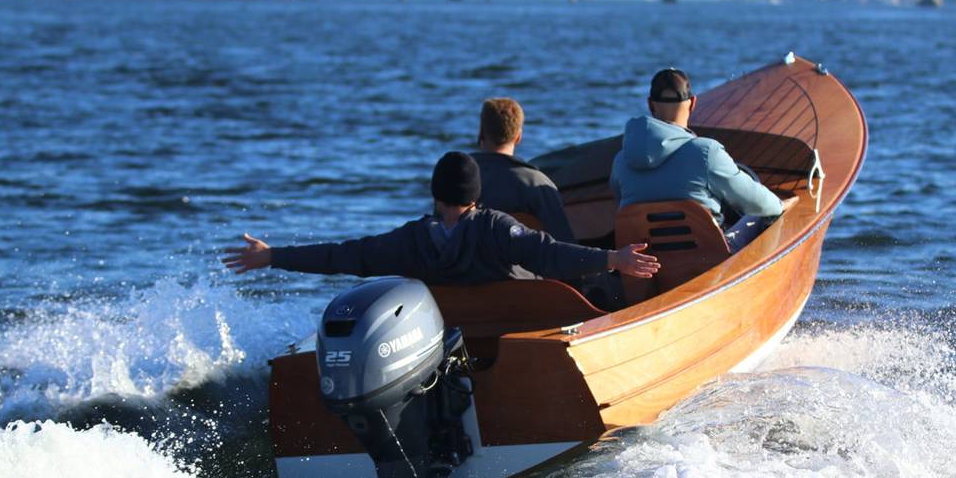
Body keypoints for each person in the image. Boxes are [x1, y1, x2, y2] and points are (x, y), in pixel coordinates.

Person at [223, 151, 659, 286]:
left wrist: (274, 256)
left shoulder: (411, 240)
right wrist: (612, 260)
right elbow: (550, 255)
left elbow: (345, 255)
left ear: (435, 194)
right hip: (511, 340)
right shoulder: (496, 228)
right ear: (476, 196)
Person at [610, 68, 784, 230]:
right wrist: (781, 205)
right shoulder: (707, 152)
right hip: (708, 255)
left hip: (643, 258)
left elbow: (621, 204)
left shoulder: (621, 161)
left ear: (650, 104)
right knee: (767, 215)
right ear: (693, 103)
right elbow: (757, 203)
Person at [471, 97, 576, 242]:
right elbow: (564, 245)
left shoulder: (456, 176)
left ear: (482, 132)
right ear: (518, 137)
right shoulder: (537, 184)